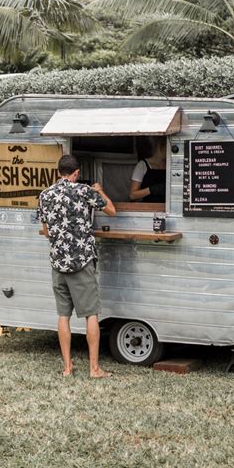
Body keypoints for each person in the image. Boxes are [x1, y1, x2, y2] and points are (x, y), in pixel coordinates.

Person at [38, 154, 116, 378]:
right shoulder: (83, 191)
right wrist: (99, 190)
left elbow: (46, 231)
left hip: (58, 262)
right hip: (82, 261)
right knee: (91, 314)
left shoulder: (45, 195)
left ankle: (67, 368)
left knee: (64, 315)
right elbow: (112, 210)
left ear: (58, 172)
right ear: (76, 173)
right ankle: (94, 369)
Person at [129, 137, 166, 203]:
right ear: (160, 147)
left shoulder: (171, 165)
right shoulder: (142, 165)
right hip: (149, 207)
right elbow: (132, 195)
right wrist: (151, 190)